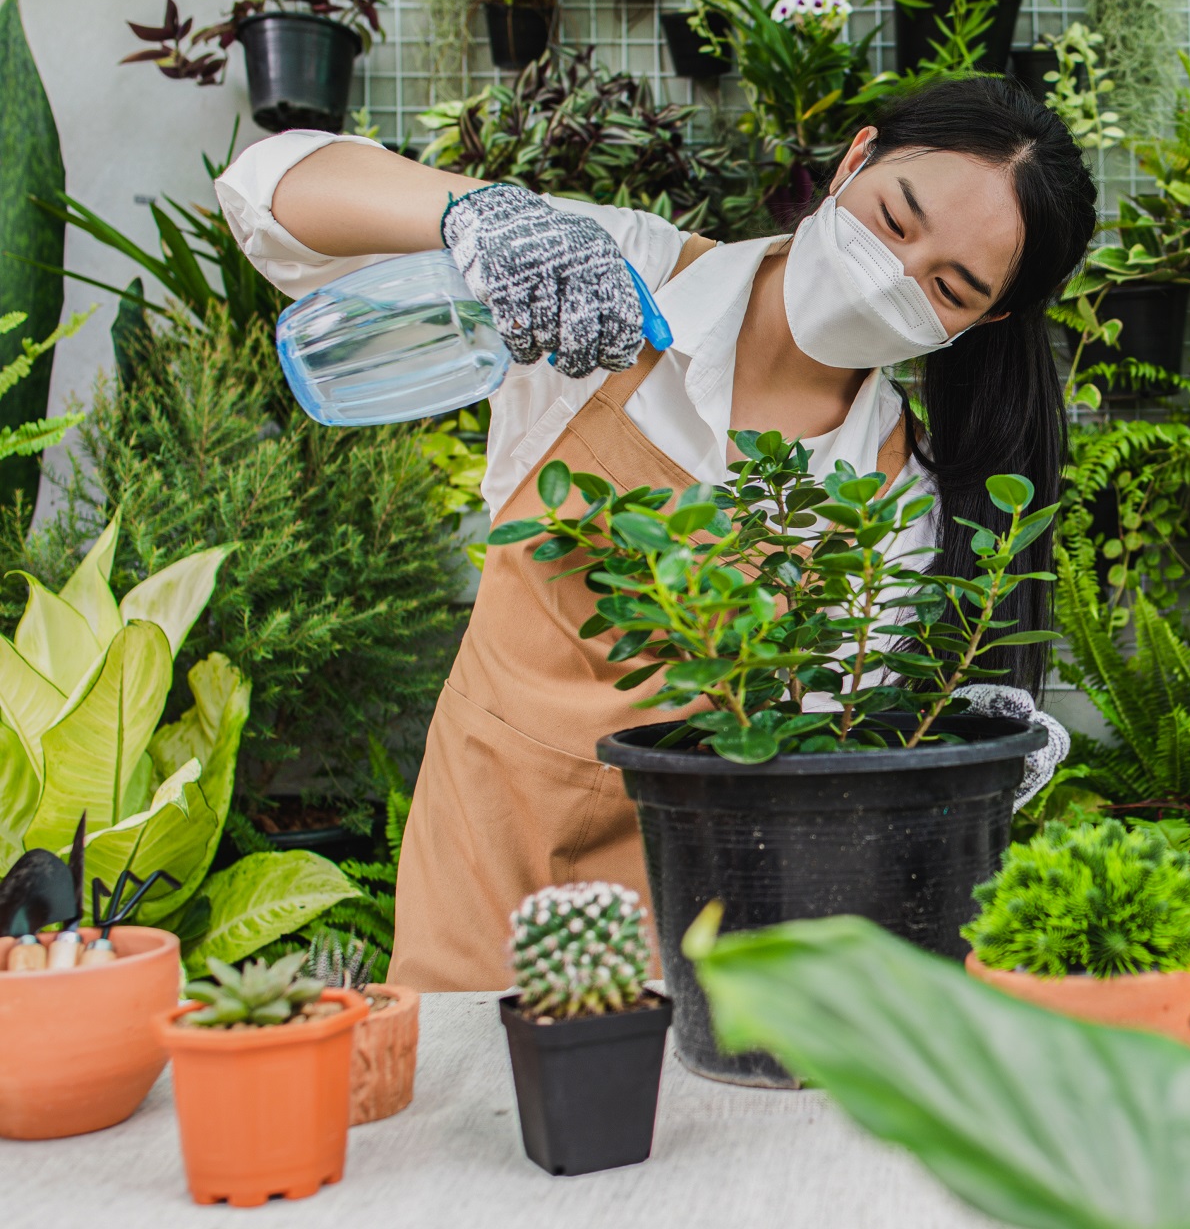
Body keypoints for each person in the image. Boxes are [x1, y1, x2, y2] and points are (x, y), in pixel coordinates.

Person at [217, 76, 1097, 990]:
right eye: (893, 218)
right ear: (854, 159)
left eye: (948, 288)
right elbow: (268, 189)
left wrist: (938, 770)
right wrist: (475, 214)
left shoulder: (899, 506)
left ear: (985, 320)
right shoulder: (606, 277)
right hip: (482, 858)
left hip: (702, 923)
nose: (893, 274)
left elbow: (823, 788)